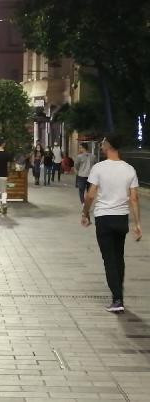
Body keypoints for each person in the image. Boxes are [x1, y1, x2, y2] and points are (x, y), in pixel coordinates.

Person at [81, 134, 142, 313]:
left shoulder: (99, 168)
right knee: (118, 257)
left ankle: (117, 299)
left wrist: (85, 213)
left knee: (109, 259)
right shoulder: (129, 169)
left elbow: (91, 194)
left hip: (104, 218)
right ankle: (119, 296)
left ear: (108, 145)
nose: (101, 146)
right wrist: (137, 224)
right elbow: (134, 198)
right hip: (121, 218)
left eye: (102, 143)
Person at [0, 139, 13, 215]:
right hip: (4, 175)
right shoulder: (7, 154)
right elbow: (8, 165)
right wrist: (8, 173)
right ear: (3, 144)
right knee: (4, 191)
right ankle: (4, 204)